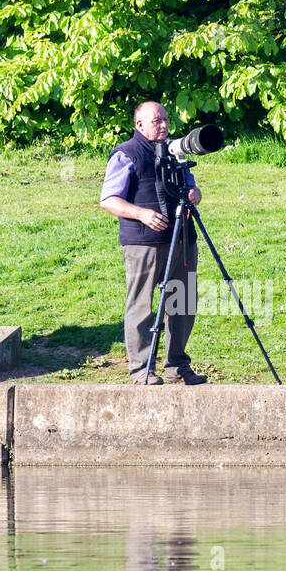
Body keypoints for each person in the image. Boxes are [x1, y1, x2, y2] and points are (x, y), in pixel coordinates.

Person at [99, 101, 207, 385]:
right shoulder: (126, 154)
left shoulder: (175, 151)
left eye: (165, 119)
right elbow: (108, 199)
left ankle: (177, 366)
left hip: (182, 237)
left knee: (183, 303)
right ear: (140, 125)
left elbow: (191, 184)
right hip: (143, 242)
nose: (163, 125)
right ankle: (141, 370)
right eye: (156, 120)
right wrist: (142, 214)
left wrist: (195, 193)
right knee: (142, 306)